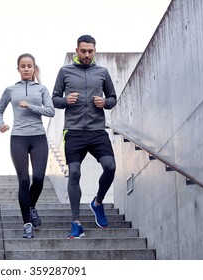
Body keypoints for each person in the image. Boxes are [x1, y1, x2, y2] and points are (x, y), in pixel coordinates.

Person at [52, 35, 117, 238]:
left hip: (97, 131)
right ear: (77, 51)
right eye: (83, 51)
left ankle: (97, 202)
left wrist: (105, 103)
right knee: (75, 172)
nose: (87, 54)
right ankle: (76, 222)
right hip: (74, 131)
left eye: (90, 51)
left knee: (110, 166)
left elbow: (113, 98)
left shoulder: (102, 72)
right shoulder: (65, 72)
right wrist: (66, 101)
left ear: (94, 50)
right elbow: (54, 99)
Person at [0, 53, 55, 239]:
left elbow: (51, 111)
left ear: (34, 68)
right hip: (18, 138)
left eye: (30, 66)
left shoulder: (42, 89)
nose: (26, 69)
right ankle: (27, 223)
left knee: (38, 178)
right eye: (23, 66)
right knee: (23, 180)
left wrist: (30, 107)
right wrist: (0, 124)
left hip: (38, 138)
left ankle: (31, 207)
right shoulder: (11, 90)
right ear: (18, 69)